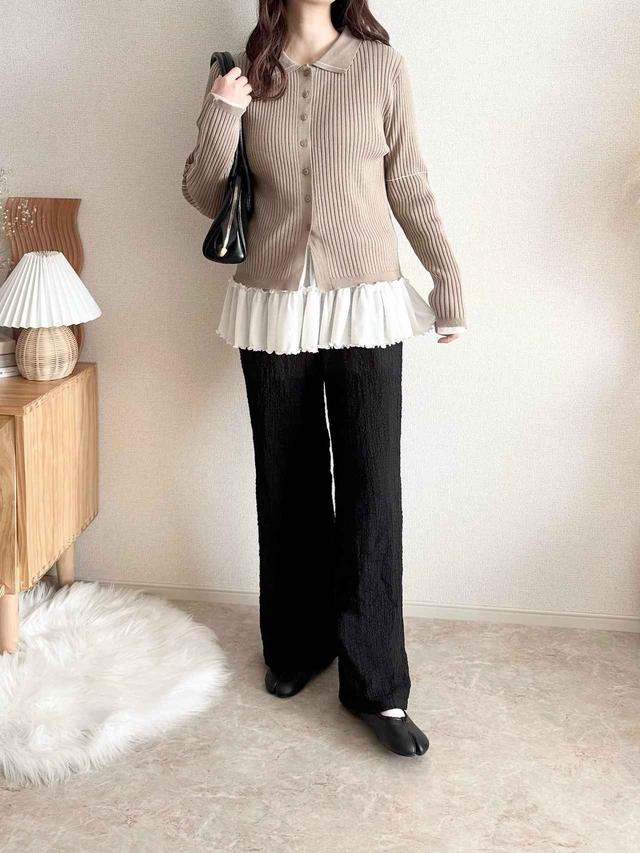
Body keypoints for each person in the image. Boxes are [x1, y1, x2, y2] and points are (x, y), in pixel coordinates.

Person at [182, 0, 467, 757]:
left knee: (373, 485)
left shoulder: (381, 67)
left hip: (367, 301)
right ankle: (297, 645)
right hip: (272, 302)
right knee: (287, 479)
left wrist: (446, 279)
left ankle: (378, 684)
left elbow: (409, 182)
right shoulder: (245, 73)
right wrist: (222, 111)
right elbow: (205, 194)